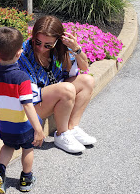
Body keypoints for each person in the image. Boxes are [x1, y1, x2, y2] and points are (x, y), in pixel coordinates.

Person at [18, 15, 96, 154]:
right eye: (38, 42)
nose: (41, 48)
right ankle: (62, 134)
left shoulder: (60, 49)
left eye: (47, 45)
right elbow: (28, 95)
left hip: (53, 93)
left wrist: (76, 48)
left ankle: (72, 128)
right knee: (66, 89)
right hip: (31, 105)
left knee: (87, 81)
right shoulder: (24, 53)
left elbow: (84, 67)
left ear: (57, 41)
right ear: (33, 36)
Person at [0, 26, 45, 194]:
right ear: (19, 53)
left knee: (8, 146)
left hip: (4, 124)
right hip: (23, 125)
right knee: (28, 149)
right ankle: (26, 179)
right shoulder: (21, 79)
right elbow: (27, 105)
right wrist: (38, 129)